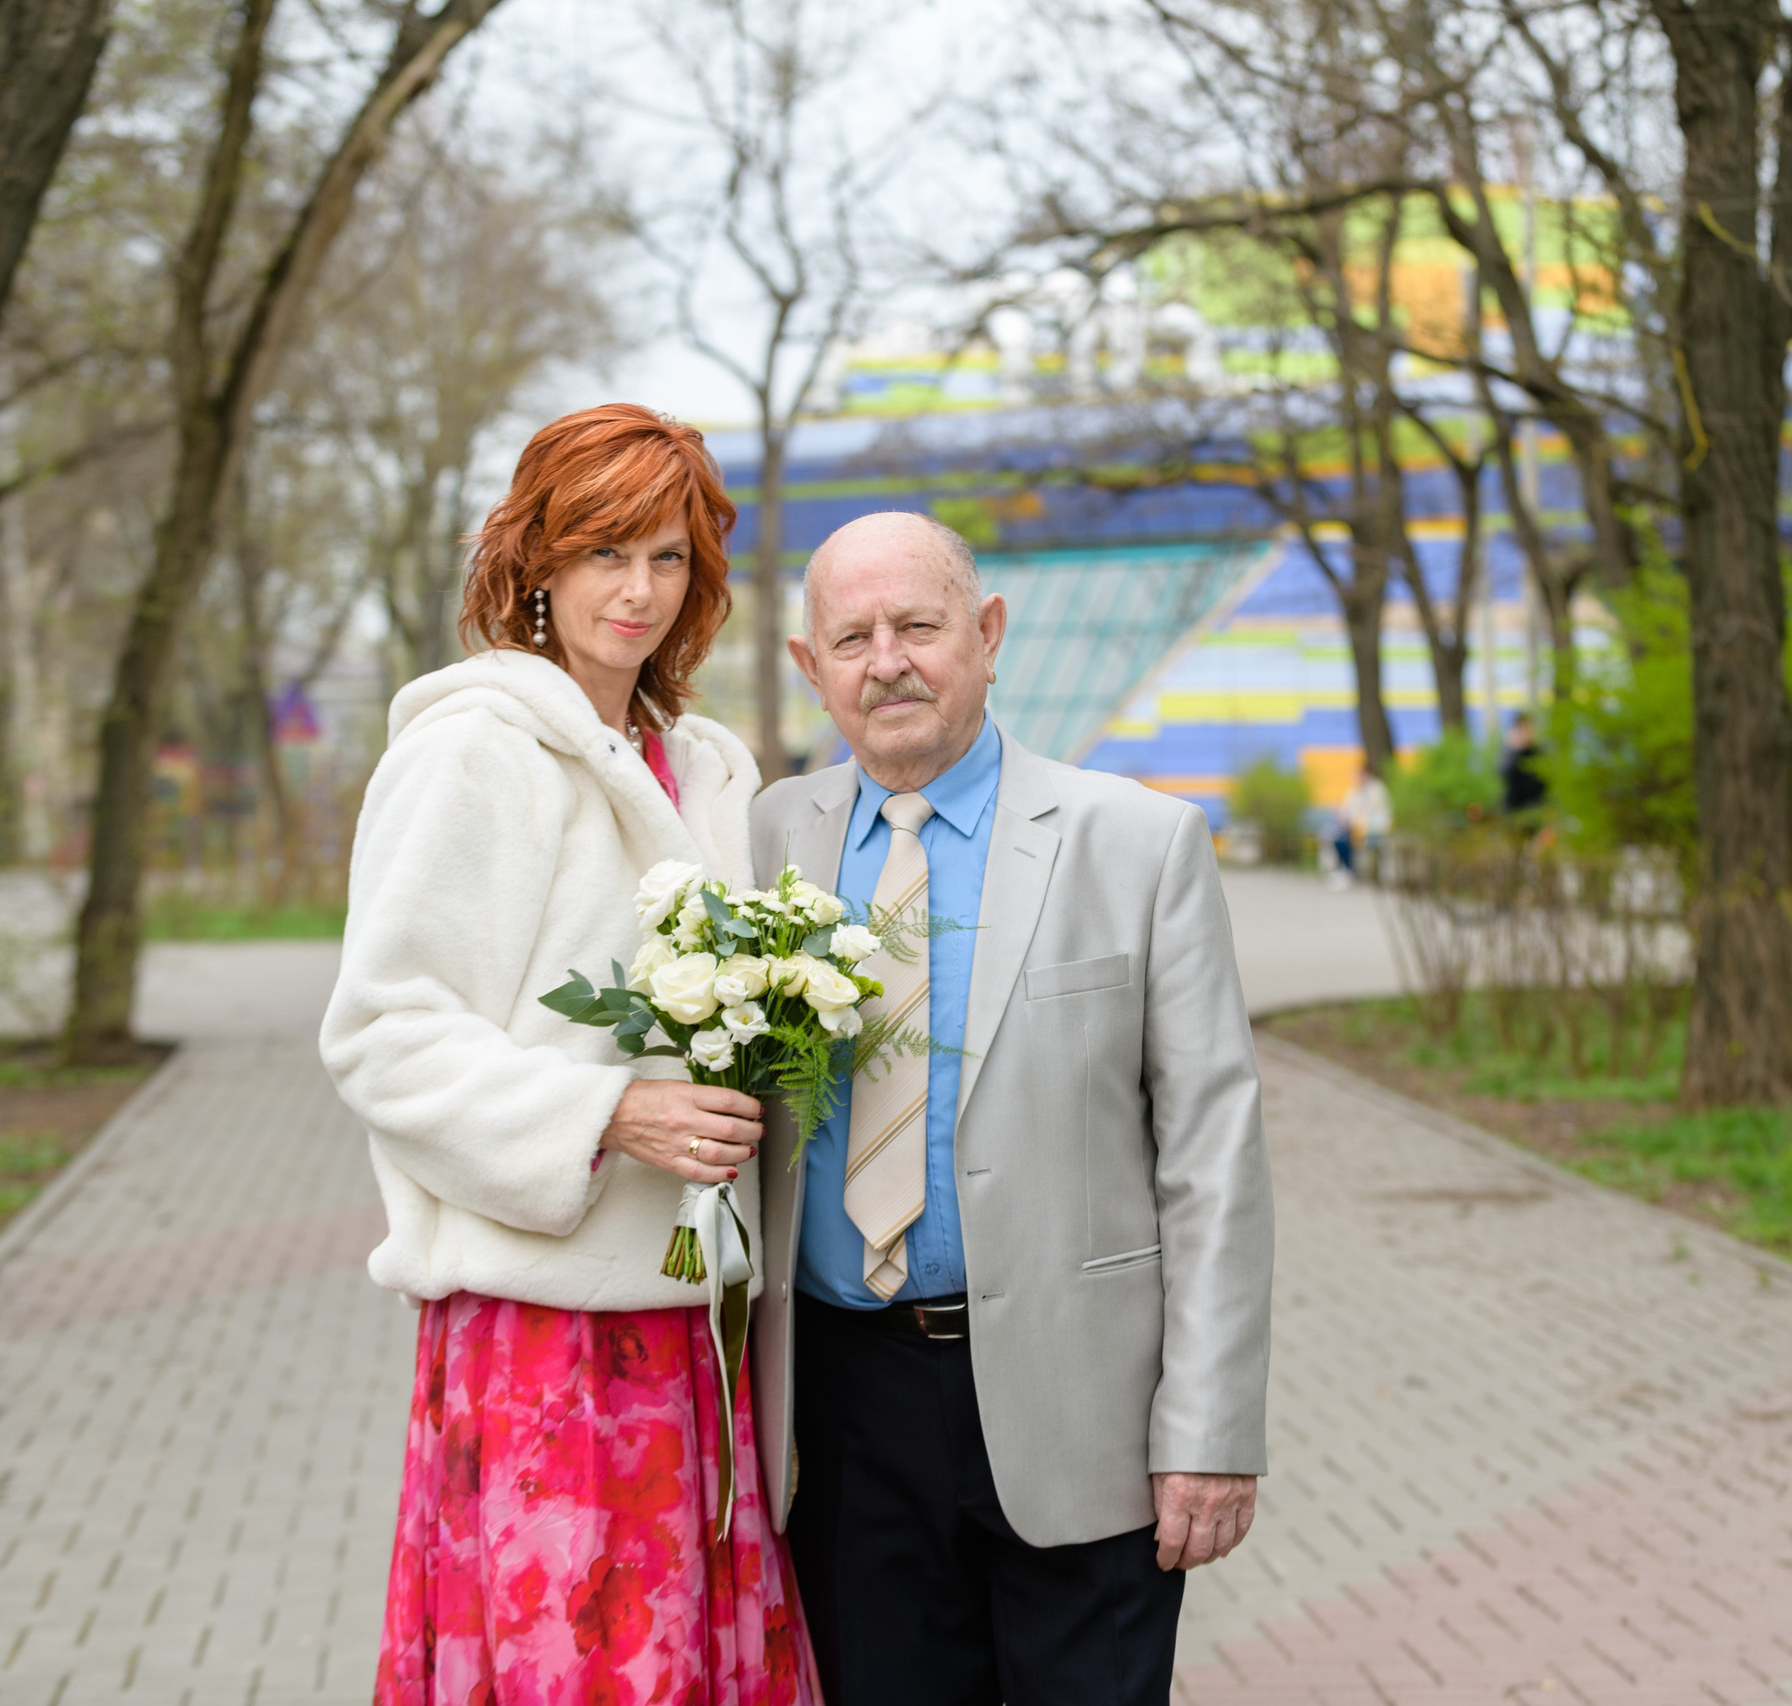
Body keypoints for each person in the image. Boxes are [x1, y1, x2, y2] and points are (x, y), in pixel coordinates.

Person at [322, 405, 821, 1705]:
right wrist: (612, 1109)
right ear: (539, 556)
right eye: (607, 552)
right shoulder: (473, 751)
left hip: (697, 1322)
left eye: (668, 557)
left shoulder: (710, 764)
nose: (639, 590)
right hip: (544, 1330)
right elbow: (383, 1033)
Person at [748, 512, 1274, 1706]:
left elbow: (1214, 1161)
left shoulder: (1137, 842)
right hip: (843, 1412)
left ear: (986, 635)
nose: (886, 659)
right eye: (851, 636)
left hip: (1078, 1407)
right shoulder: (765, 842)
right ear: (809, 667)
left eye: (918, 626)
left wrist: (1209, 1426)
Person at [1333, 760, 1392, 885]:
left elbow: (1378, 813)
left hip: (1372, 830)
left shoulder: (1377, 790)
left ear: (1366, 774)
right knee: (1339, 840)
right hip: (1354, 829)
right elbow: (1346, 810)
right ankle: (1346, 870)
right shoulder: (1354, 791)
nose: (1356, 777)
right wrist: (1343, 817)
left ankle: (1348, 872)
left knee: (1345, 842)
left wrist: (1357, 821)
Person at [1501, 711, 1550, 815]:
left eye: (1527, 729)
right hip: (1513, 810)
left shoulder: (1539, 753)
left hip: (1537, 810)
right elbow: (1503, 775)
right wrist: (1514, 750)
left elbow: (1545, 783)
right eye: (1520, 729)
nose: (1524, 733)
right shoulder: (1510, 753)